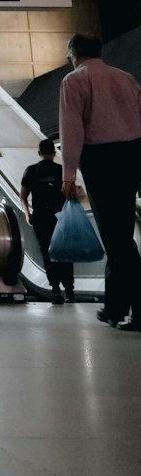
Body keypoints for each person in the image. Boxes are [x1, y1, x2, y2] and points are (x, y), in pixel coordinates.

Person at [59, 32, 141, 330]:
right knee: (119, 235)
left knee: (117, 239)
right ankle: (115, 307)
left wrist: (68, 174)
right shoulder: (126, 78)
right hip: (133, 154)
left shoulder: (75, 80)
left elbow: (71, 131)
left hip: (101, 160)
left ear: (75, 52)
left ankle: (132, 309)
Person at [20, 137, 74, 303]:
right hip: (60, 216)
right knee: (63, 251)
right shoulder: (62, 170)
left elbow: (23, 195)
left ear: (39, 152)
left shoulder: (31, 170)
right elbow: (70, 193)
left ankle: (56, 290)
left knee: (47, 251)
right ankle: (70, 290)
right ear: (54, 152)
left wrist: (28, 214)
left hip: (40, 217)